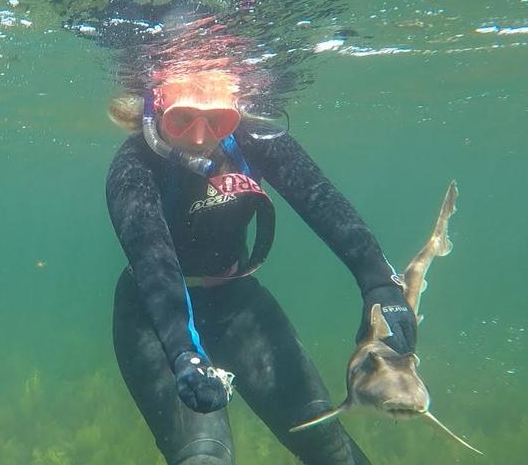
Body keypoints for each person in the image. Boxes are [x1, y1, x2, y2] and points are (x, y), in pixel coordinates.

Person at [106, 68, 418, 465]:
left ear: (236, 112)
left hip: (236, 303)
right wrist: (184, 353)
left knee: (328, 446)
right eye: (182, 119)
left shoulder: (253, 140)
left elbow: (317, 197)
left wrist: (378, 282)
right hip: (153, 318)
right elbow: (154, 262)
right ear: (155, 110)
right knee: (203, 457)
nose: (201, 137)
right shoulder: (132, 167)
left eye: (217, 120)